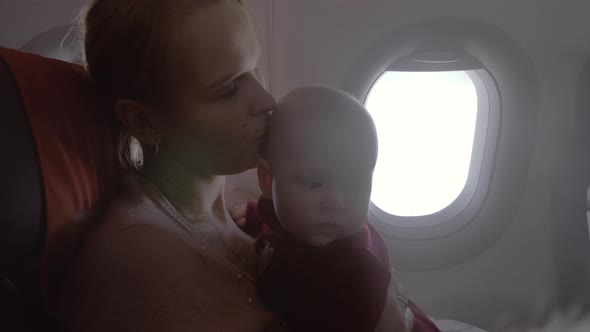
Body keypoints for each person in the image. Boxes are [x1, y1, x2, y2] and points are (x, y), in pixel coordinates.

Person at [56, 0, 408, 331]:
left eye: (255, 68)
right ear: (144, 122)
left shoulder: (243, 207)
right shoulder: (140, 265)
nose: (266, 100)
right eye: (227, 89)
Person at [240, 86, 441, 332]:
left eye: (354, 184)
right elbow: (269, 215)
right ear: (268, 179)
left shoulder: (352, 275)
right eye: (315, 184)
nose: (336, 202)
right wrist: (250, 216)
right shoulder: (286, 216)